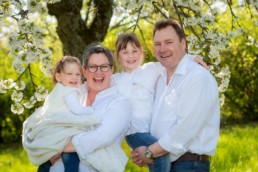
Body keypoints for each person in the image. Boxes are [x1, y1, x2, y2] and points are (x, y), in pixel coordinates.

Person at [131, 19, 220, 172]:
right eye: (157, 44)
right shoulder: (159, 77)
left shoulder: (197, 77)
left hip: (188, 165)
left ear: (183, 44)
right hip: (161, 163)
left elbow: (183, 132)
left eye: (169, 42)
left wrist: (148, 152)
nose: (162, 49)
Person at [49, 43, 131, 172]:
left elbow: (102, 137)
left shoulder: (120, 103)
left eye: (104, 66)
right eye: (93, 67)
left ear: (112, 69)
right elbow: (51, 119)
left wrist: (60, 147)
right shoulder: (73, 94)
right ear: (84, 71)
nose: (99, 72)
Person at [22, 56, 99, 172]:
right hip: (60, 129)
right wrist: (92, 110)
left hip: (50, 129)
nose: (74, 77)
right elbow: (76, 110)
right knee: (72, 158)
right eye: (69, 73)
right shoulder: (69, 92)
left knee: (47, 162)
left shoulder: (58, 90)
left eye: (77, 74)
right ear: (58, 76)